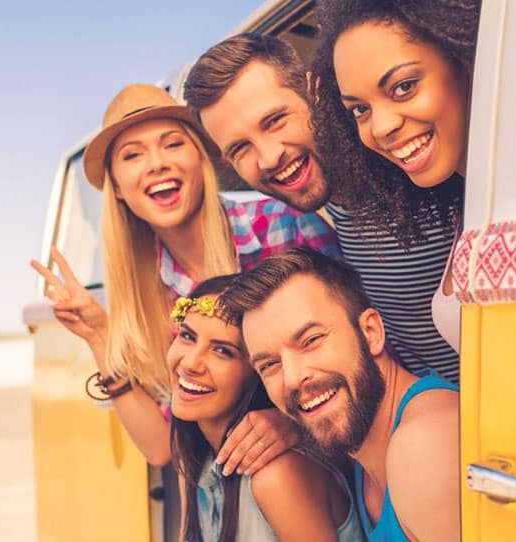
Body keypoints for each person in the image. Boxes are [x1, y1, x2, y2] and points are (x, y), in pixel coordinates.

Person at [30, 83, 341, 469]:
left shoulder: (283, 225)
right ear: (119, 189)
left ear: (202, 159)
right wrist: (99, 336)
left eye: (173, 144)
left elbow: (370, 354)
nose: (157, 163)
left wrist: (294, 420)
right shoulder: (151, 294)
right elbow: (163, 448)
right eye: (132, 155)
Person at [184, 32, 461, 384]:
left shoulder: (420, 171)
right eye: (241, 148)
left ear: (315, 94)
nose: (269, 157)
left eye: (275, 121)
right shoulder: (325, 220)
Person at [219, 247, 460, 542]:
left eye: (311, 340)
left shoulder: (425, 442)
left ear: (371, 332)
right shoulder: (364, 448)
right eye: (270, 365)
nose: (293, 378)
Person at [310, 0, 482, 355]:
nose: (381, 127)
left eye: (404, 87)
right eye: (360, 110)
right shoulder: (466, 204)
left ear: (465, 58)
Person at [168, 274, 364, 542]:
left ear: (258, 374)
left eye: (222, 351)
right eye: (187, 336)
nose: (191, 363)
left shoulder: (276, 476)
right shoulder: (191, 453)